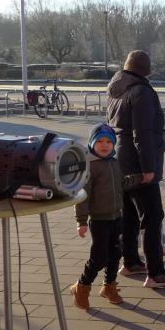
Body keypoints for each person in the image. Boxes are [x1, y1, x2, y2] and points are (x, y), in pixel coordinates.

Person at [107, 50, 165, 288]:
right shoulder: (142, 91)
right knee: (153, 216)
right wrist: (148, 167)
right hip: (139, 163)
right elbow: (142, 133)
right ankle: (156, 273)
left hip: (120, 159)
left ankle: (130, 262)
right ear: (146, 70)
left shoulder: (117, 89)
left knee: (129, 214)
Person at [70, 123, 127, 309]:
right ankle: (81, 287)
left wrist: (139, 179)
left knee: (115, 254)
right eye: (100, 141)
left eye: (108, 142)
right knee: (98, 258)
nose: (104, 145)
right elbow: (82, 196)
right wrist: (81, 221)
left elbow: (121, 184)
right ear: (92, 143)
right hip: (99, 220)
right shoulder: (90, 166)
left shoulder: (115, 163)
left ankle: (109, 286)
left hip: (116, 217)